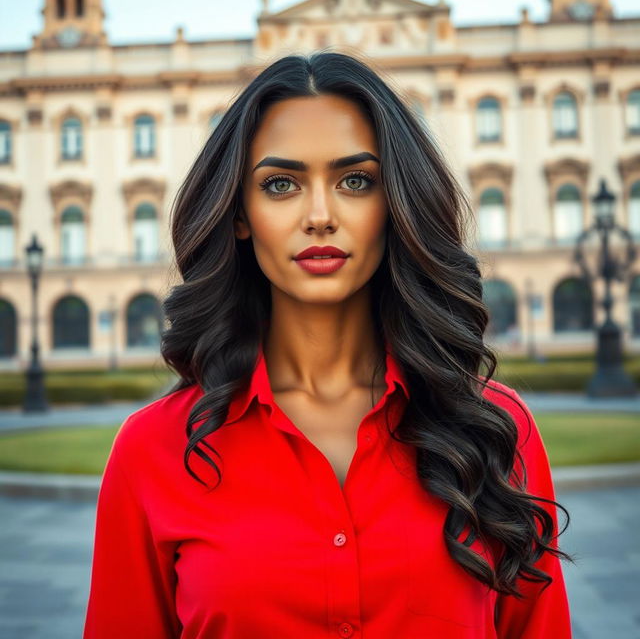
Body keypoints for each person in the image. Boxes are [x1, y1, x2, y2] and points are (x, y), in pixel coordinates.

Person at [83, 51, 572, 638]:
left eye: (356, 181)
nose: (320, 216)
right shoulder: (153, 450)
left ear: (395, 204)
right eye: (281, 184)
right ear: (240, 212)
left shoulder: (495, 429)